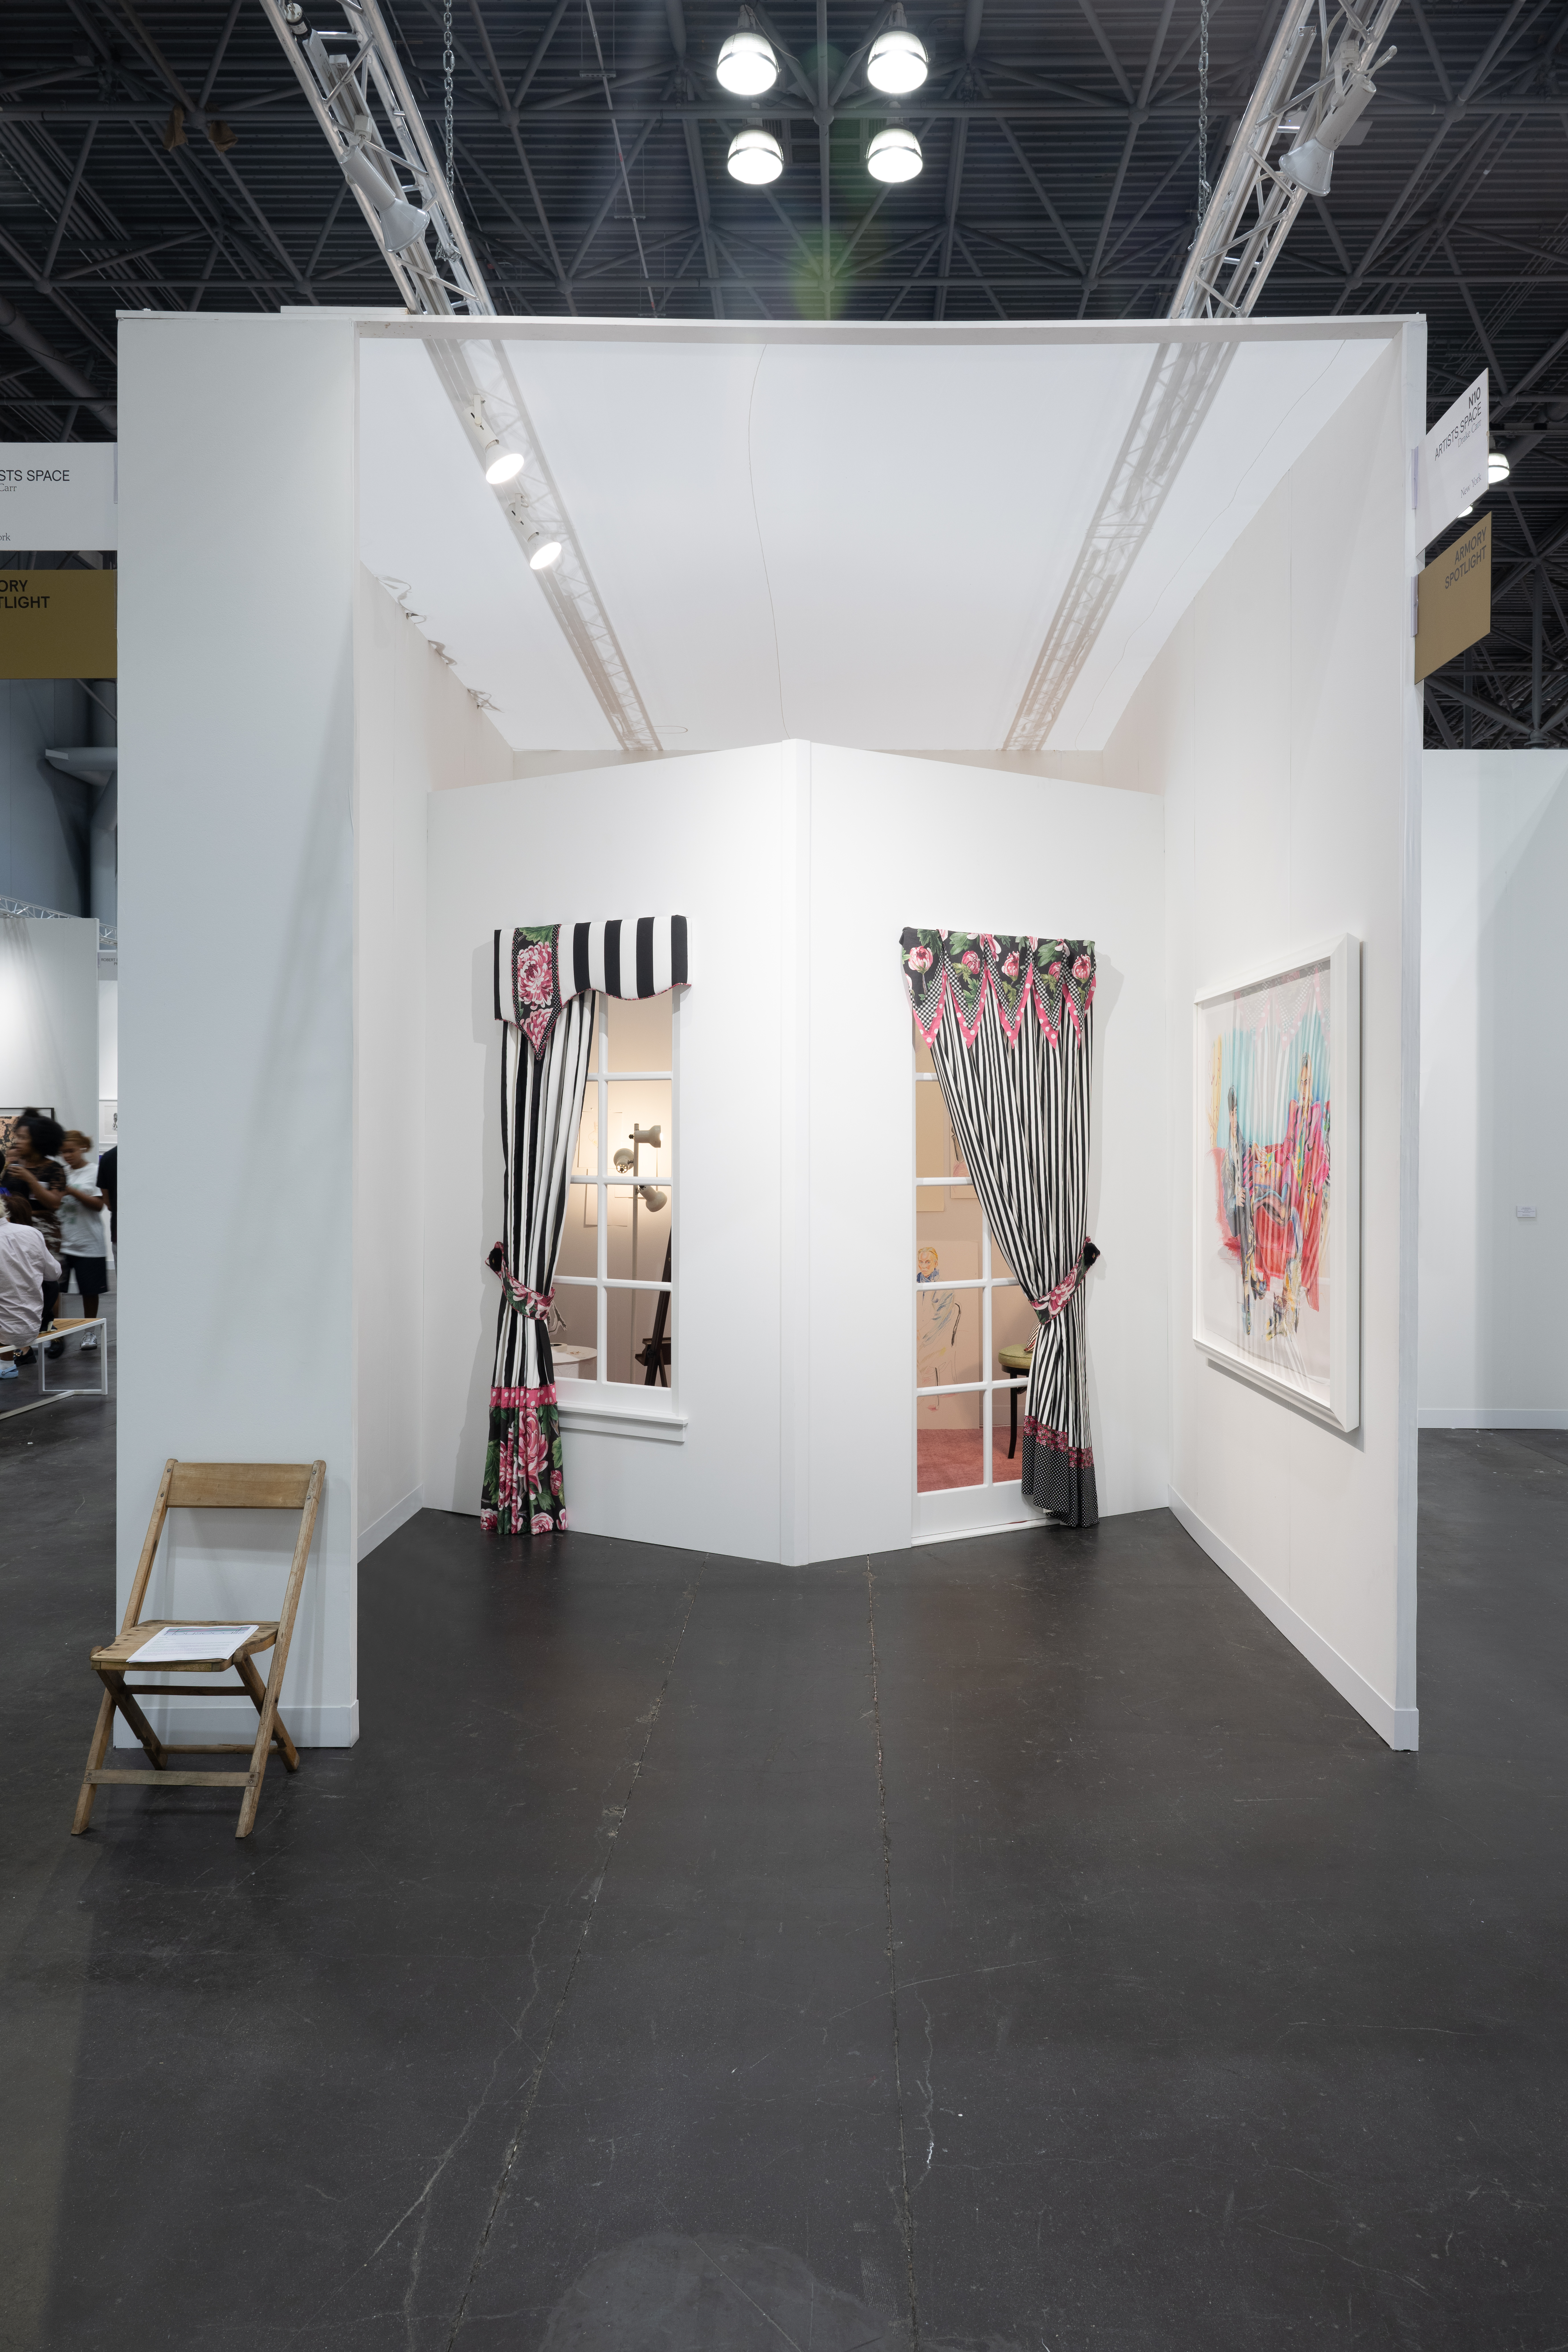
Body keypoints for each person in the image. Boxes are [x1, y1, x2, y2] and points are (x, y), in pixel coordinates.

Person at [0, 1109, 67, 1361]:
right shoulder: (14, 1166)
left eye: (24, 1138)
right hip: (13, 1228)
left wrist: (30, 1178)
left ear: (38, 1140)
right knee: (15, 1282)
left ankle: (50, 1330)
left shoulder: (54, 1169)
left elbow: (54, 1202)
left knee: (49, 1282)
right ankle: (20, 1345)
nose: (18, 1141)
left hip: (43, 1230)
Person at [0, 1191, 59, 1381]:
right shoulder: (31, 1233)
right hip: (33, 1322)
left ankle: (6, 1365)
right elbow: (54, 1274)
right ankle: (6, 1365)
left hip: (6, 1329)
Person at [57, 1130, 108, 1347]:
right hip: (62, 1243)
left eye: (71, 1151)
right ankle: (55, 1334)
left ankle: (89, 1332)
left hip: (89, 1243)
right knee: (55, 1292)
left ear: (83, 1148)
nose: (67, 1156)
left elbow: (99, 1206)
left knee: (90, 1292)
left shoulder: (95, 1172)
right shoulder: (60, 1173)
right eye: (63, 1152)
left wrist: (69, 1190)